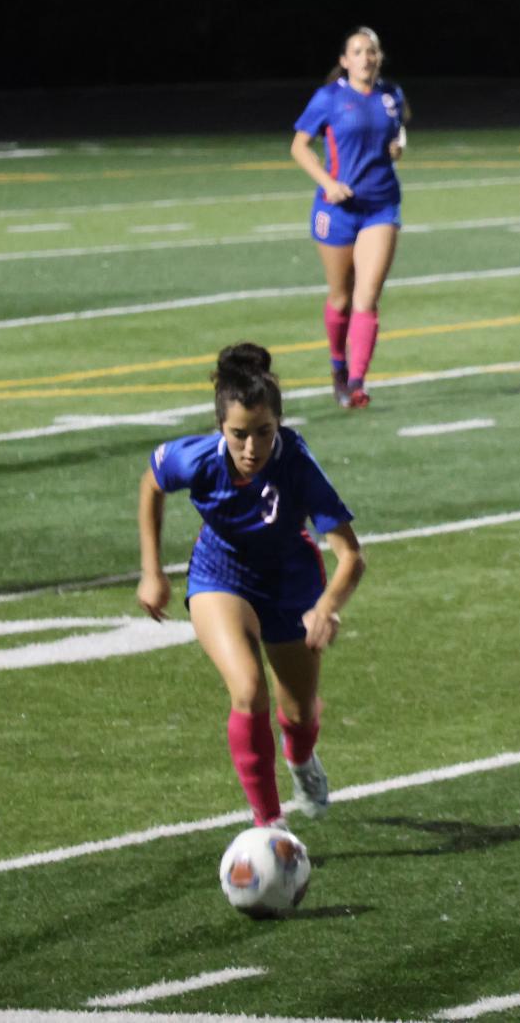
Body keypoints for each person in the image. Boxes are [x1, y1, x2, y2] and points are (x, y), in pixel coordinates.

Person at [137, 343, 365, 829]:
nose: (251, 448)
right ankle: (269, 825)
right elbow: (152, 483)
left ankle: (301, 760)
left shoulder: (298, 465)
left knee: (299, 713)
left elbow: (351, 555)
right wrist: (152, 570)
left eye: (264, 433)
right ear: (221, 427)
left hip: (291, 581)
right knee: (248, 690)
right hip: (220, 575)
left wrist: (327, 606)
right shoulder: (197, 459)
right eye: (239, 434)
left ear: (278, 425)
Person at [289, 26, 408, 409]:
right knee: (340, 298)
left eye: (371, 51)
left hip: (380, 205)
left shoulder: (391, 95)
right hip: (337, 209)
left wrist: (395, 146)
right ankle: (337, 367)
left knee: (367, 296)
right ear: (344, 61)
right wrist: (328, 182)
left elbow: (397, 129)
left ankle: (357, 382)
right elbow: (299, 146)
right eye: (357, 51)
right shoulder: (329, 98)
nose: (366, 57)